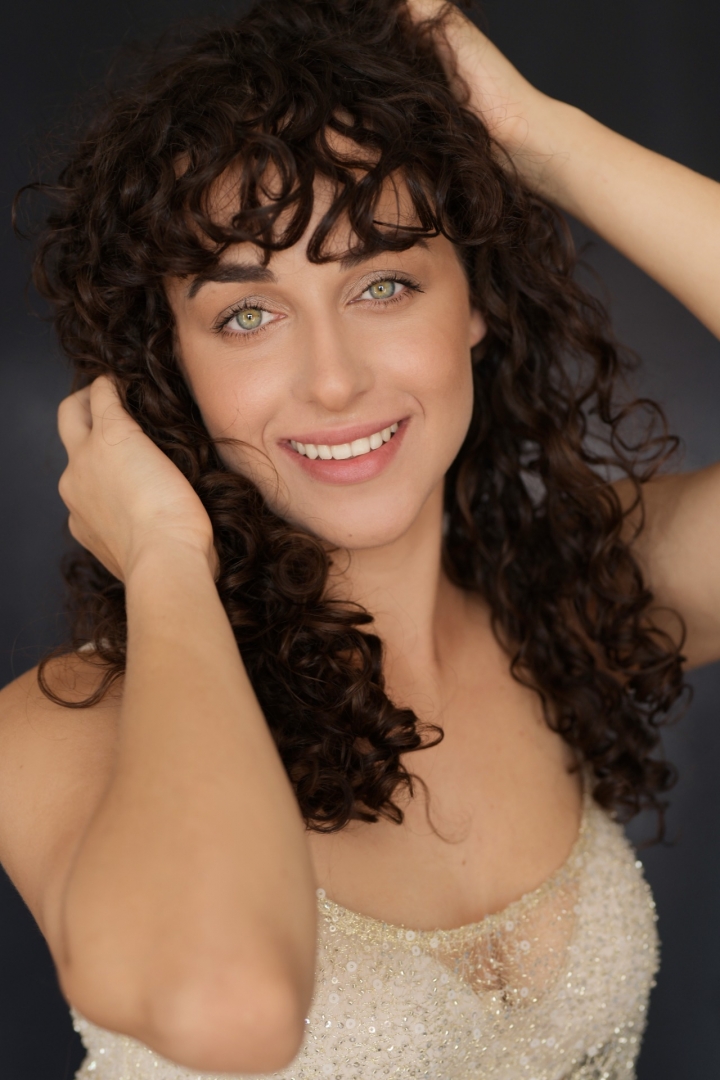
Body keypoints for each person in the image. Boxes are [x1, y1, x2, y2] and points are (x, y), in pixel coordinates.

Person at [1, 0, 719, 1076]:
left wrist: (536, 138)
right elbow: (228, 1007)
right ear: (169, 370)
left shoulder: (574, 599)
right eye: (247, 315)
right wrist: (164, 559)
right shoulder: (60, 731)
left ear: (474, 300)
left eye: (383, 283)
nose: (333, 380)